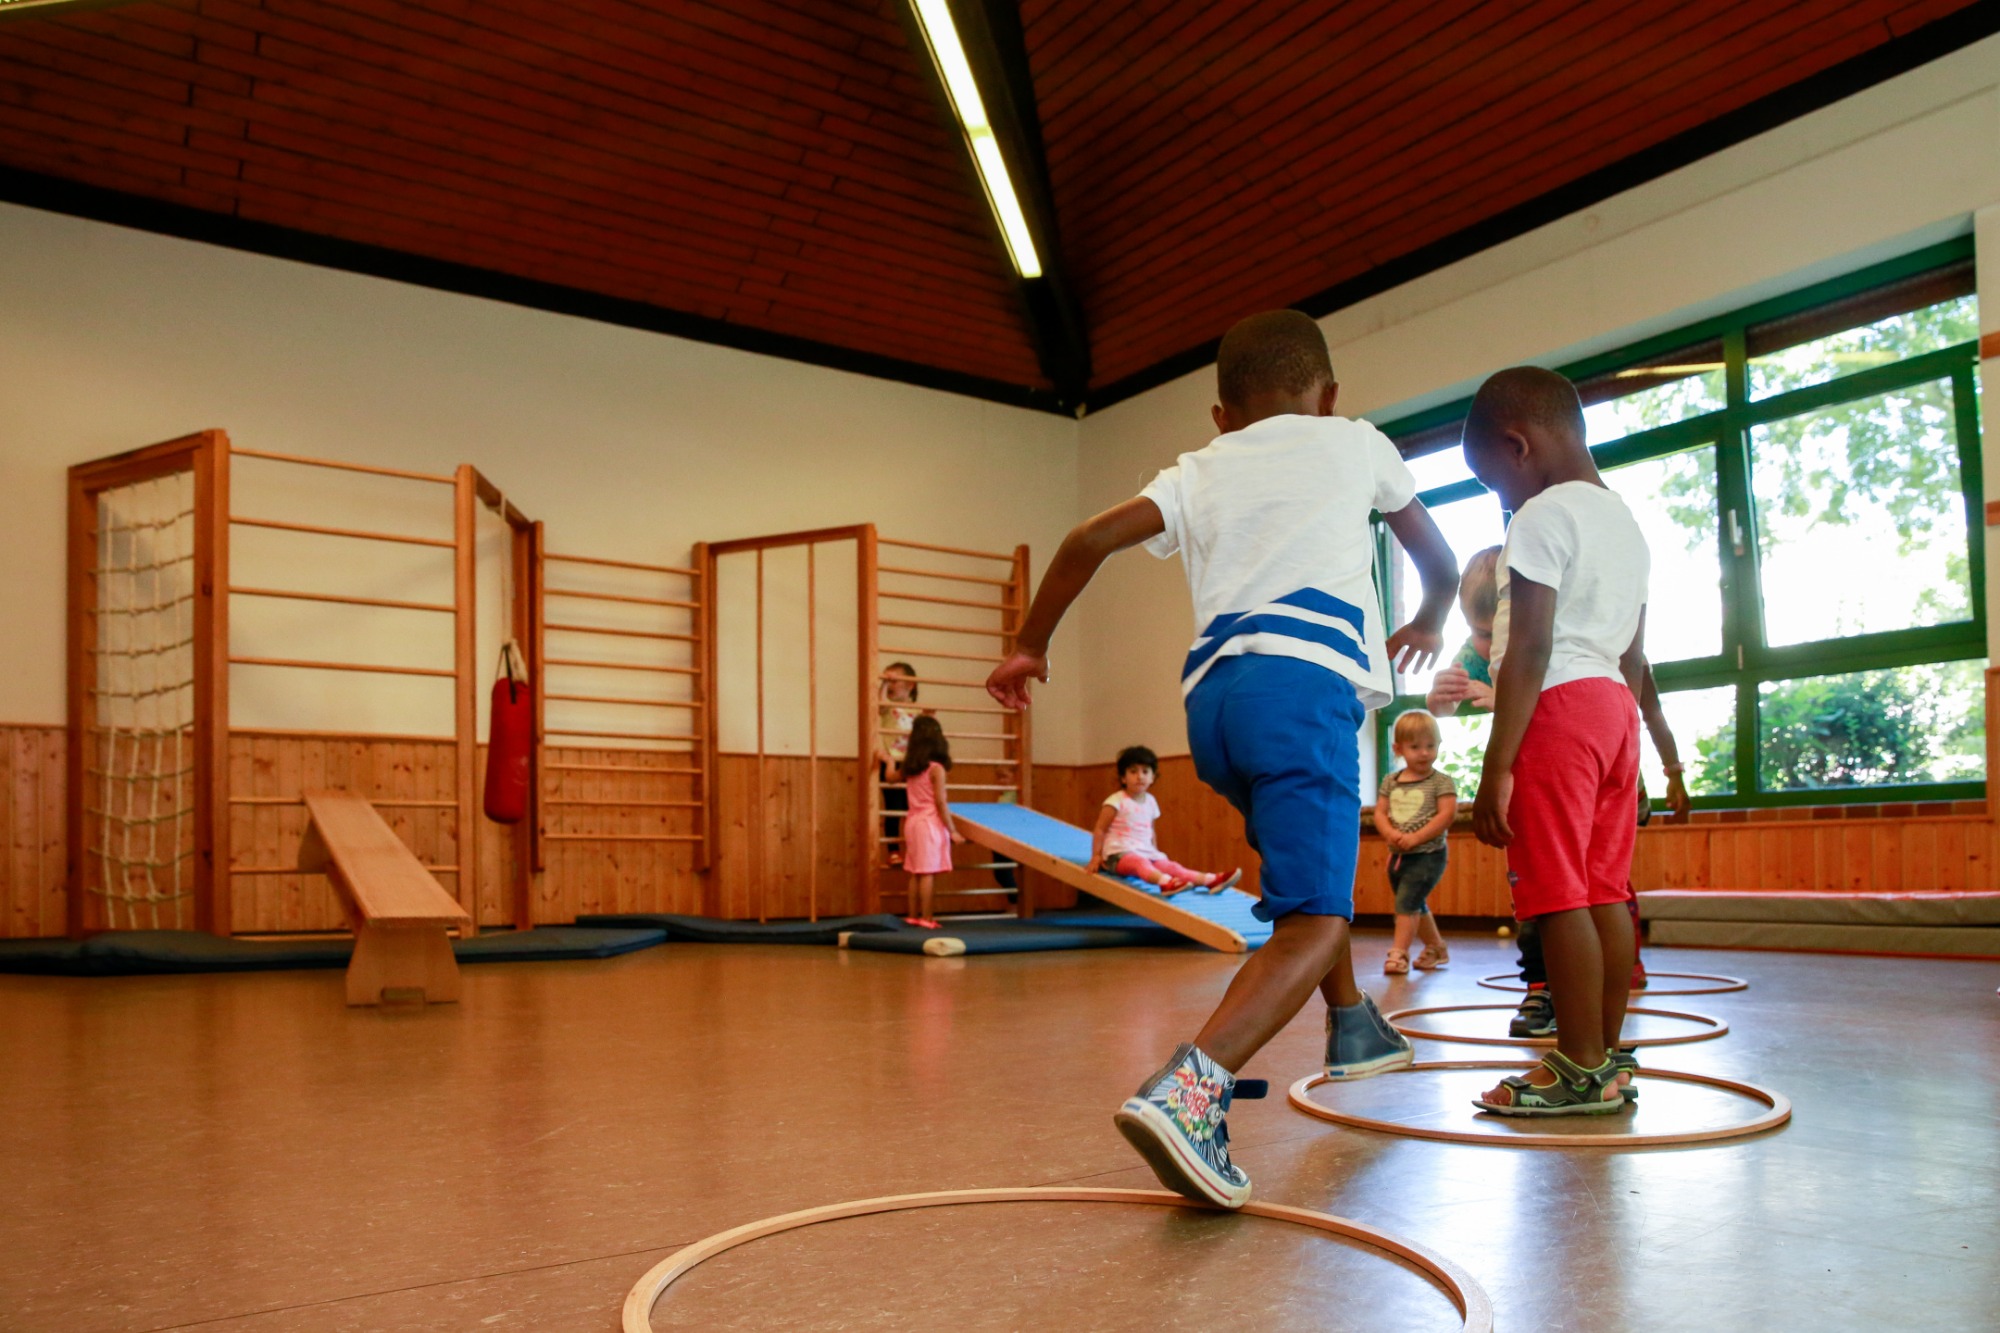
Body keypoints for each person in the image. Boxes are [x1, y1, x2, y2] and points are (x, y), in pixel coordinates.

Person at [987, 309, 1459, 1207]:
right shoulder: (1355, 442)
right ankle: (1192, 1089)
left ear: (1221, 416)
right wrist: (1432, 616)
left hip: (1214, 709)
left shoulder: (1200, 468)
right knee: (1317, 918)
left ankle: (1354, 1024)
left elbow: (1086, 539)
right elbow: (1436, 559)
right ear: (1329, 397)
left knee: (1304, 879)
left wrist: (1029, 645)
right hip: (1305, 693)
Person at [1463, 366, 1651, 1117]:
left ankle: (1574, 1064)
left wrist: (1495, 765)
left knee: (1557, 893)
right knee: (1605, 888)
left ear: (1519, 446)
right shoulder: (1625, 523)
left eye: (1492, 481)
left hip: (1559, 708)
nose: (1500, 498)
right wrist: (1631, 752)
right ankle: (1604, 1058)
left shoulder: (1539, 517)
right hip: (1612, 708)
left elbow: (1531, 647)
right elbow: (1634, 652)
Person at [1435, 541, 1690, 1034]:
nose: (1482, 646)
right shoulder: (1481, 644)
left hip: (1599, 771)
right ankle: (1551, 994)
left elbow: (1638, 707)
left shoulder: (1566, 638)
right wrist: (1441, 699)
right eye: (1475, 632)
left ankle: (1599, 998)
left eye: (1489, 632)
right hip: (1552, 766)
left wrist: (1671, 770)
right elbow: (1447, 702)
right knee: (1563, 887)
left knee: (1586, 889)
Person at [1091, 745, 1242, 895]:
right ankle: (1166, 883)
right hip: (1117, 855)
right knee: (1140, 863)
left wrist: (1154, 853)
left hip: (1144, 852)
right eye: (1133, 771)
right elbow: (1100, 829)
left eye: (1145, 771)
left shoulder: (1150, 801)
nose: (1140, 776)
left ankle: (1210, 880)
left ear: (1152, 777)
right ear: (1123, 778)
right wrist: (1096, 856)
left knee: (1171, 866)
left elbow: (1151, 831)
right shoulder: (1116, 801)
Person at [1373, 711, 1456, 974]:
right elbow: (1380, 812)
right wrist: (1390, 834)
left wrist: (1416, 838)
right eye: (1415, 747)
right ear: (1398, 749)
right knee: (1414, 903)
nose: (1424, 753)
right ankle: (1436, 948)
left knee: (1406, 904)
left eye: (1431, 746)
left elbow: (1446, 814)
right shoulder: (1391, 781)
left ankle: (1399, 954)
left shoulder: (1441, 782)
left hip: (1428, 854)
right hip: (1398, 855)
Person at [898, 715, 964, 929]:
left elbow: (890, 776)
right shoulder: (936, 768)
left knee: (915, 871)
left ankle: (912, 915)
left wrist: (886, 760)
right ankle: (926, 918)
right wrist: (952, 830)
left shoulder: (911, 767)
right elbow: (940, 802)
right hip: (929, 823)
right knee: (927, 872)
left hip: (912, 822)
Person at [873, 663, 924, 867]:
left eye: (894, 681)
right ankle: (893, 850)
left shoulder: (918, 710)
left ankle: (913, 848)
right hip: (890, 761)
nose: (890, 685)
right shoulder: (888, 708)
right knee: (893, 808)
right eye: (888, 682)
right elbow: (879, 704)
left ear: (910, 685)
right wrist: (884, 683)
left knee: (912, 808)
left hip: (910, 762)